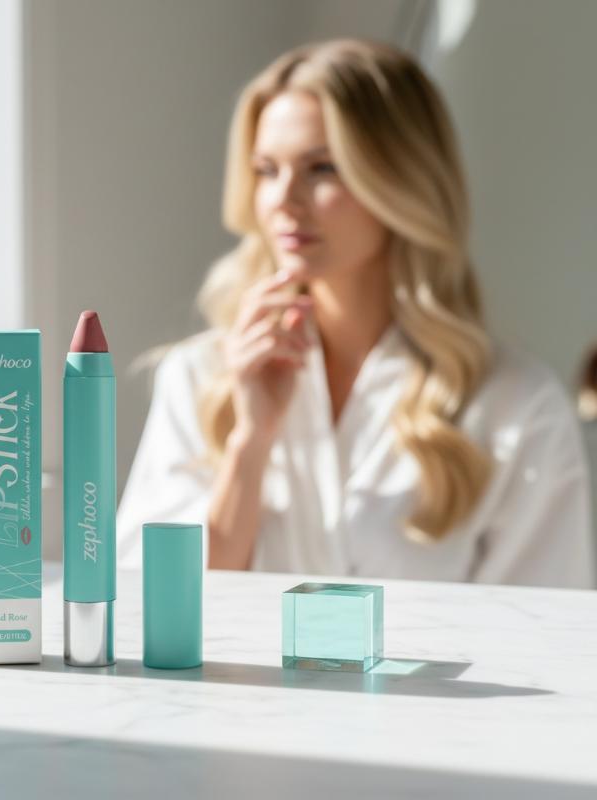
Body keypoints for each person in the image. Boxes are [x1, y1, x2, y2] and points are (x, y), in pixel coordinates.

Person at [117, 39, 595, 588]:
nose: (283, 200)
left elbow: (544, 626)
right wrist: (250, 444)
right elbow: (148, 602)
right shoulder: (202, 378)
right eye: (266, 170)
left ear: (402, 180)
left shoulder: (518, 408)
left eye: (322, 168)